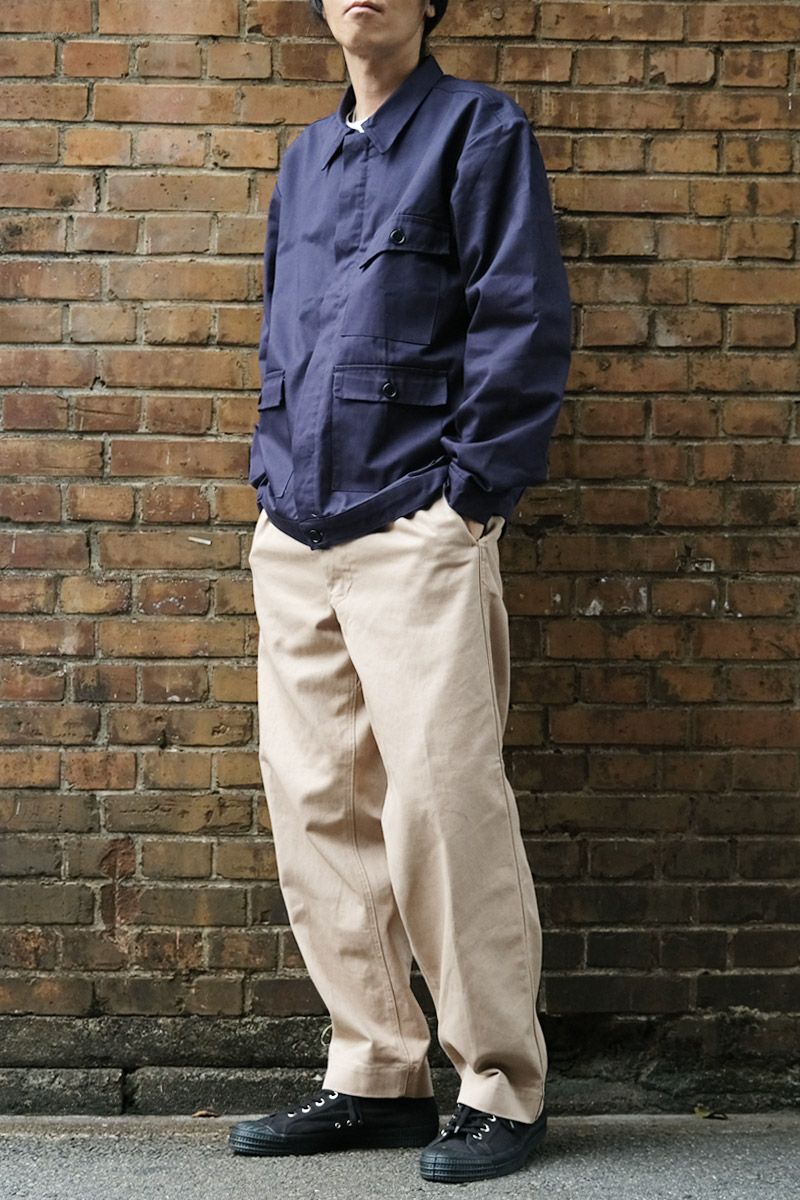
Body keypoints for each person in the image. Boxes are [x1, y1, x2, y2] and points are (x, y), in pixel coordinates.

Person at [228, 0, 572, 1184]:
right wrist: (270, 473)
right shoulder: (304, 157)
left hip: (415, 517)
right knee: (316, 802)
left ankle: (500, 1084)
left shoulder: (477, 130)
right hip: (297, 521)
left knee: (439, 801)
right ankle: (374, 1072)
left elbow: (521, 314)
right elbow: (283, 323)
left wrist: (468, 496)